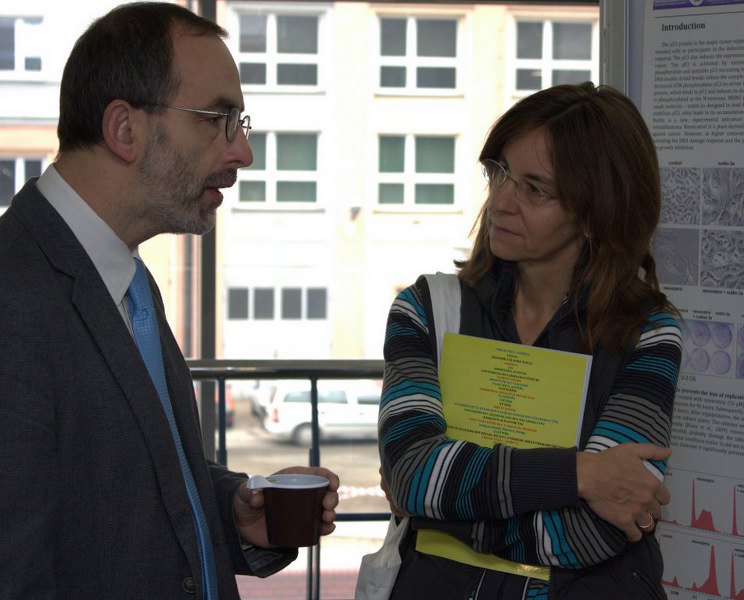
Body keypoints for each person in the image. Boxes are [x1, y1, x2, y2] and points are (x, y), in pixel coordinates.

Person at [0, 3, 339, 599]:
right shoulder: (15, 294)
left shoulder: (126, 278)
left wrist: (233, 513)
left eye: (240, 123)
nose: (242, 153)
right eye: (217, 119)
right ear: (124, 129)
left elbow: (126, 482)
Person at [378, 82, 682, 599]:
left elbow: (593, 530)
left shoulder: (648, 332)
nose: (500, 202)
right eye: (499, 173)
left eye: (534, 190)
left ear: (596, 214)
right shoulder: (426, 309)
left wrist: (440, 512)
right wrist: (577, 474)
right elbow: (411, 473)